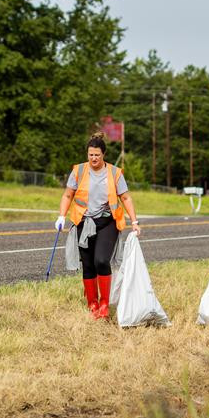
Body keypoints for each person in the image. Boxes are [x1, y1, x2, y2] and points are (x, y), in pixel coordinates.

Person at [56, 132, 142, 319]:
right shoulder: (78, 171)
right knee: (88, 265)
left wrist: (134, 221)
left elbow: (125, 197)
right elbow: (68, 195)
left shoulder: (114, 173)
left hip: (106, 222)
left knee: (101, 261)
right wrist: (61, 216)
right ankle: (92, 303)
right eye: (90, 155)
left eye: (97, 155)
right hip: (84, 223)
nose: (93, 158)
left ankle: (104, 303)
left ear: (103, 155)